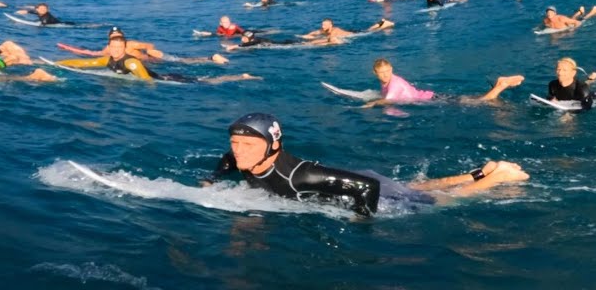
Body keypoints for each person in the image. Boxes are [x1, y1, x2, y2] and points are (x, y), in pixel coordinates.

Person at [203, 113, 530, 217]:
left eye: (248, 144)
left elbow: (367, 189)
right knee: (411, 187)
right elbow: (228, 160)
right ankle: (478, 171)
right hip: (350, 179)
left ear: (273, 146)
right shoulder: (242, 159)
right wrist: (213, 177)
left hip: (361, 187)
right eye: (235, 143)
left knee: (432, 204)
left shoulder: (298, 175)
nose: (239, 151)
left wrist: (365, 220)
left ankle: (496, 178)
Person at [56, 30, 257, 84]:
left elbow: (145, 79)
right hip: (159, 71)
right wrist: (59, 63)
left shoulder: (131, 60)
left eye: (118, 45)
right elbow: (86, 62)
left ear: (123, 46)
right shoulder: (106, 56)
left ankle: (241, 76)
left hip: (166, 78)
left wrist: (146, 84)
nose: (115, 48)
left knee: (207, 81)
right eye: (112, 45)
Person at [363, 59, 524, 107]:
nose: (385, 75)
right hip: (431, 96)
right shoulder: (389, 82)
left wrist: (371, 104)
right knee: (473, 98)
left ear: (391, 69)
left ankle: (501, 85)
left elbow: (388, 101)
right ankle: (499, 84)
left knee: (480, 102)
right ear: (375, 73)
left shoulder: (394, 83)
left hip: (431, 99)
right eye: (381, 73)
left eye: (387, 71)